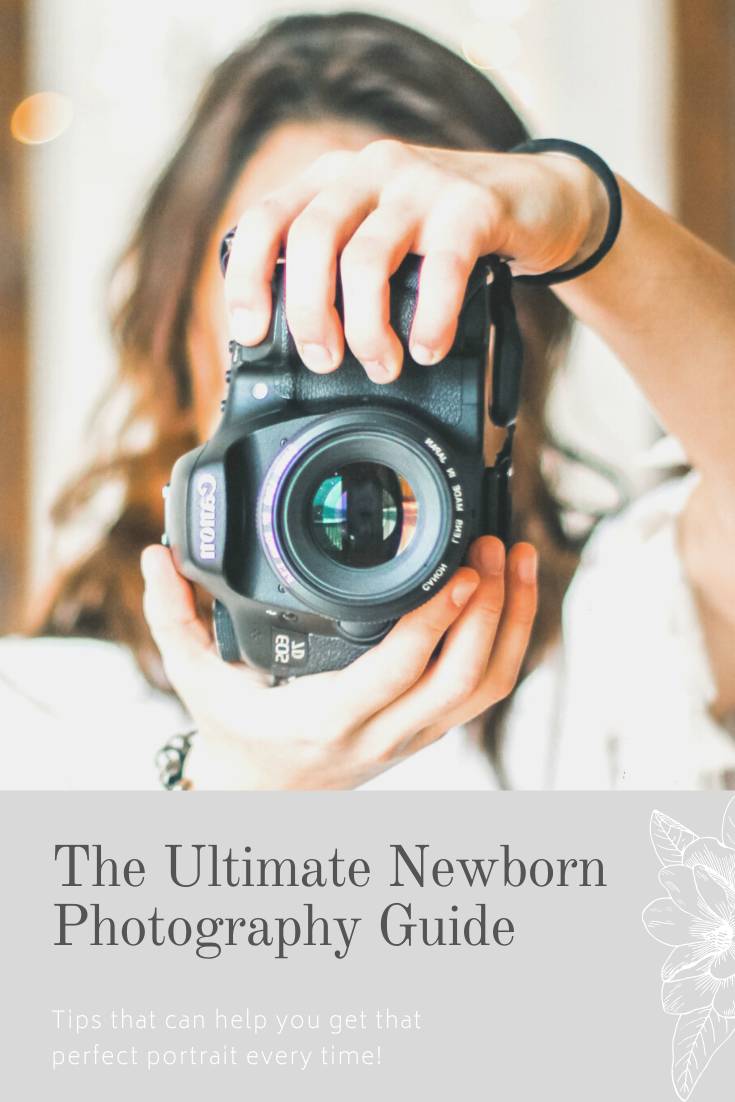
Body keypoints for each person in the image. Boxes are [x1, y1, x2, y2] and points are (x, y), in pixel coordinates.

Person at [6, 11, 735, 790]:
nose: (351, 350)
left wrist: (588, 219)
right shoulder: (37, 714)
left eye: (411, 292)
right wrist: (234, 790)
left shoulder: (607, 647)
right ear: (175, 335)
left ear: (508, 355)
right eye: (292, 288)